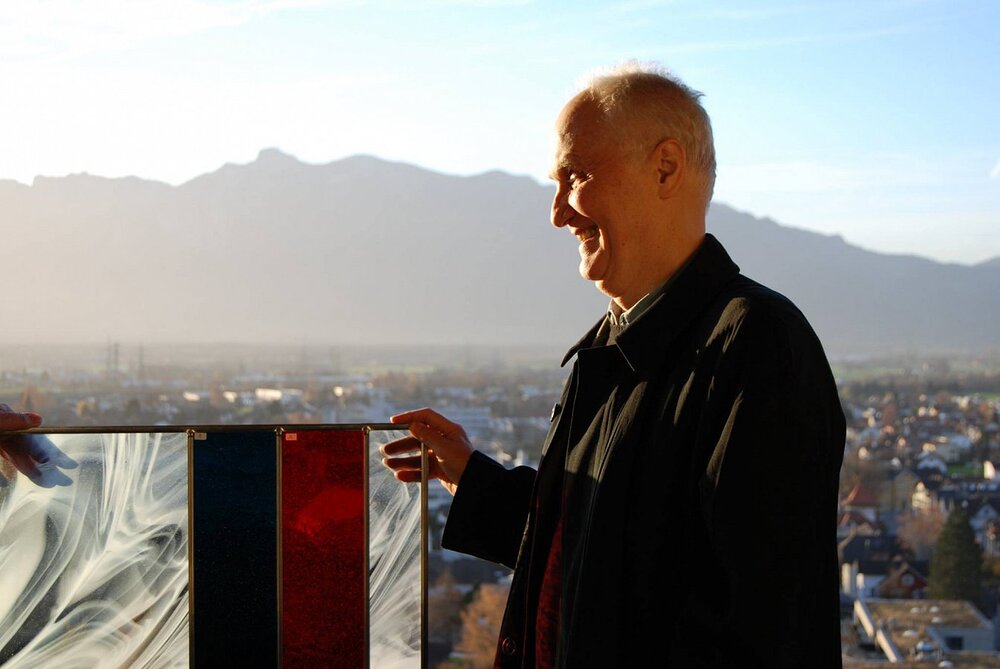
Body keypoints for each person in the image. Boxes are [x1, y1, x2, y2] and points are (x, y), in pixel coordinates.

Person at [382, 63, 845, 668]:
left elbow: (757, 627)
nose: (558, 213)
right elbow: (606, 558)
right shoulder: (621, 343)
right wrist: (474, 481)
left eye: (575, 175)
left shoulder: (756, 347)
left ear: (665, 168)